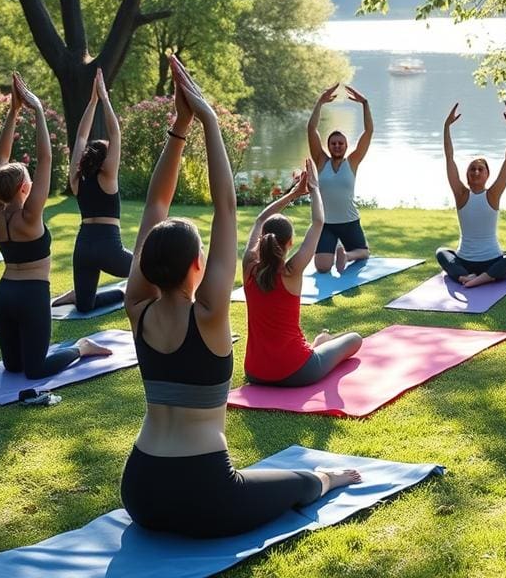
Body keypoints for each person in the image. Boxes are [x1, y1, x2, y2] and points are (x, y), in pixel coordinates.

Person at [121, 56, 359, 538]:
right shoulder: (208, 316)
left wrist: (179, 129)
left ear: (148, 264)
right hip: (205, 495)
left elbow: (154, 207)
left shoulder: (137, 308)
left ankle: (318, 480)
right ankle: (325, 479)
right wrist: (206, 119)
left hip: (140, 491)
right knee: (300, 481)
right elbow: (226, 207)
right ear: (197, 267)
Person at [0, 73, 111, 378]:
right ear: (23, 189)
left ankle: (72, 348)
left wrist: (13, 111)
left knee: (15, 367)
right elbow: (45, 158)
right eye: (28, 178)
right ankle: (82, 347)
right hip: (31, 296)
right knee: (33, 369)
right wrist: (38, 109)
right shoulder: (30, 217)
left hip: (3, 296)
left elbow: (0, 158)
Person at [242, 158, 363, 386]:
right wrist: (314, 188)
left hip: (256, 372)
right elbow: (319, 222)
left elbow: (260, 219)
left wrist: (293, 194)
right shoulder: (292, 271)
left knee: (321, 346)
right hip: (297, 371)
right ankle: (321, 343)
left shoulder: (249, 267)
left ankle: (320, 343)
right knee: (355, 339)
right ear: (289, 243)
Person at [52, 69, 132, 311]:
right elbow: (115, 134)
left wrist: (92, 102)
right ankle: (122, 292)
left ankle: (78, 294)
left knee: (85, 307)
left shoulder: (77, 179)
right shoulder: (108, 177)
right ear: (106, 159)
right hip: (109, 249)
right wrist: (104, 99)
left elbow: (80, 138)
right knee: (149, 275)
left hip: (84, 246)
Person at [437, 101, 506, 288]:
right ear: (466, 175)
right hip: (465, 261)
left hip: (491, 260)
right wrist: (446, 127)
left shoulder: (493, 194)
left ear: (487, 174)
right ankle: (472, 277)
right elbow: (449, 157)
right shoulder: (461, 194)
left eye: (480, 169)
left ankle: (472, 279)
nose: (476, 172)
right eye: (472, 169)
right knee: (441, 252)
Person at [307, 83, 373, 274]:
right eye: (333, 143)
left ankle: (348, 255)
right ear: (328, 146)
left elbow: (368, 132)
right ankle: (336, 249)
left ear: (346, 146)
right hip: (325, 224)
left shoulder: (353, 162)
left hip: (349, 222)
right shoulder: (320, 161)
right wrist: (320, 102)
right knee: (322, 267)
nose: (337, 146)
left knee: (363, 253)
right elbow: (311, 130)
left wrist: (365, 104)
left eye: (341, 143)